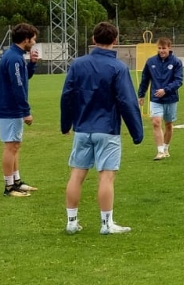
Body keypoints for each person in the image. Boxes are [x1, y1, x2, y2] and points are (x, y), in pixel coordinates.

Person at [59, 22, 146, 235]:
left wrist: (65, 124)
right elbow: (127, 101)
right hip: (107, 130)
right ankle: (107, 224)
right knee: (106, 177)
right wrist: (137, 132)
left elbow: (67, 95)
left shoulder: (78, 64)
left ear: (93, 39)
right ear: (115, 40)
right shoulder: (118, 67)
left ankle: (71, 222)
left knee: (76, 174)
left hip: (82, 128)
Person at [0, 23, 41, 197]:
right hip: (10, 109)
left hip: (12, 108)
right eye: (33, 39)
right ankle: (9, 187)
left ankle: (16, 181)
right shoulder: (14, 58)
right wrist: (25, 111)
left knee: (15, 145)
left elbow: (24, 77)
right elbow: (18, 86)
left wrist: (32, 64)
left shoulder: (17, 56)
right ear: (25, 39)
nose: (34, 42)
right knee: (10, 146)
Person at [137, 36, 183, 161]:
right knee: (156, 122)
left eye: (164, 48)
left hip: (171, 98)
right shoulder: (151, 62)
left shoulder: (176, 62)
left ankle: (166, 148)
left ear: (169, 48)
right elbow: (145, 79)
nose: (161, 51)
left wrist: (166, 90)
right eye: (159, 48)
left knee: (168, 124)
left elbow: (178, 81)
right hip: (155, 99)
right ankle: (160, 151)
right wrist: (141, 94)